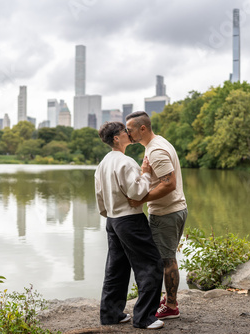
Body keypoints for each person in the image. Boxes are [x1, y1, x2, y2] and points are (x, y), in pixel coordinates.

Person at [95, 121, 164, 330]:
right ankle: (144, 318)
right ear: (117, 138)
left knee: (116, 268)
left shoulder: (103, 163)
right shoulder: (126, 162)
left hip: (112, 221)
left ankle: (111, 314)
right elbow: (137, 192)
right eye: (125, 131)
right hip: (129, 220)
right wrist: (146, 173)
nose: (129, 133)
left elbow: (99, 196)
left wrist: (110, 214)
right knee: (151, 264)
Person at [125, 111, 188, 320]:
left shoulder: (156, 151)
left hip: (166, 213)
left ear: (142, 128)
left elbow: (169, 184)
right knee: (166, 257)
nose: (128, 133)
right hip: (174, 209)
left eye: (130, 129)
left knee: (166, 260)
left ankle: (171, 306)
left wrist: (141, 200)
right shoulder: (157, 143)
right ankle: (169, 300)